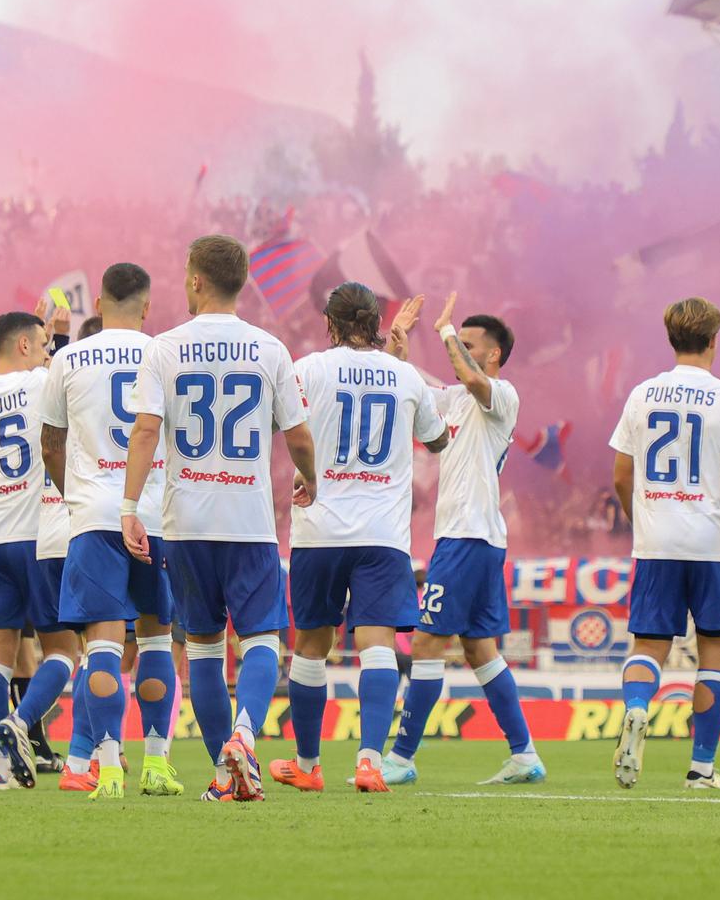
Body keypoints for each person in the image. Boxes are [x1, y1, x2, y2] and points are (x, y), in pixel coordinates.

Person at [121, 234, 317, 802]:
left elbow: (147, 431)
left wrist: (131, 507)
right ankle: (244, 736)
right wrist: (310, 476)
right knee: (261, 640)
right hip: (248, 520)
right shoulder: (270, 349)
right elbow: (298, 435)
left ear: (197, 280)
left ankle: (221, 773)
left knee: (203, 647)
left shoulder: (164, 347)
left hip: (184, 523)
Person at [270, 283, 448, 794]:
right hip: (382, 534)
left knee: (311, 645)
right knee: (377, 644)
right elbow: (436, 440)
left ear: (330, 323)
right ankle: (369, 762)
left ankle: (308, 765)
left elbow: (288, 428)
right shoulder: (405, 376)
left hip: (319, 528)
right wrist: (399, 365)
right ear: (377, 322)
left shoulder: (307, 369)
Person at [382, 293, 545, 787]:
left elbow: (473, 377)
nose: (459, 353)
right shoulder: (451, 401)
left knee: (428, 642)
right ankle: (524, 755)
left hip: (468, 537)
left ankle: (403, 758)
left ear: (493, 354)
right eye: (459, 343)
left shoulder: (503, 395)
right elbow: (398, 386)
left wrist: (447, 331)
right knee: (479, 649)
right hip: (469, 538)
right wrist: (398, 343)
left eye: (471, 345)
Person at [42, 261, 183, 800]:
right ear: (147, 308)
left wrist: (76, 495)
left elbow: (51, 441)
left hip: (95, 517)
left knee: (101, 643)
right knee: (154, 639)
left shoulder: (70, 358)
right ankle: (156, 764)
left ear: (96, 305)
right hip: (155, 512)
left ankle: (107, 766)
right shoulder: (165, 353)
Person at [609, 296, 720, 790]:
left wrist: (642, 522)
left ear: (671, 338)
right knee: (714, 648)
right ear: (714, 340)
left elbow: (620, 475)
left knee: (649, 644)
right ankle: (702, 767)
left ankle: (635, 709)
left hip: (658, 542)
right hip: (714, 543)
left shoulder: (641, 395)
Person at [0, 310, 82, 791]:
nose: (50, 351)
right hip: (38, 537)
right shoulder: (38, 385)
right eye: (43, 344)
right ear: (27, 347)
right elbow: (66, 373)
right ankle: (21, 722)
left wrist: (44, 334)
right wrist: (64, 335)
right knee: (62, 652)